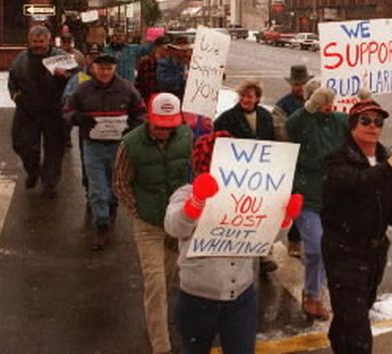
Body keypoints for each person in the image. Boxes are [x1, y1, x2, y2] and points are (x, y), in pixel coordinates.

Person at [164, 134, 301, 354]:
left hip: (241, 297)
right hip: (196, 297)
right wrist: (196, 203)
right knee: (194, 350)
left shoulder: (250, 196)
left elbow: (267, 237)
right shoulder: (187, 192)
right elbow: (174, 226)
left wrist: (284, 218)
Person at [321, 100, 392, 354]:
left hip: (374, 253)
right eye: (365, 120)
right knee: (358, 331)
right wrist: (391, 166)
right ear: (353, 125)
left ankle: (340, 345)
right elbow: (358, 185)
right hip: (344, 251)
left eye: (379, 122)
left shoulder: (386, 158)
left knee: (353, 313)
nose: (373, 126)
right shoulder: (337, 160)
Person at [113, 92, 193, 354]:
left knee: (169, 277)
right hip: (148, 224)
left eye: (169, 127)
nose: (164, 132)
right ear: (149, 118)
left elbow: (190, 173)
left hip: (175, 223)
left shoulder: (186, 136)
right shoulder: (130, 144)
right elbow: (120, 181)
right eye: (159, 126)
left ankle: (156, 316)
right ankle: (161, 346)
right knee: (155, 282)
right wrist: (136, 210)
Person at [64, 52, 145, 250]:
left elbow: (141, 112)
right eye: (101, 69)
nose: (105, 73)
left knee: (114, 182)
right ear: (93, 68)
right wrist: (78, 118)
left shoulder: (126, 88)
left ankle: (112, 205)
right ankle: (101, 224)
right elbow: (67, 111)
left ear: (114, 69)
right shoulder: (83, 90)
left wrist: (132, 126)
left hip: (119, 145)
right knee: (97, 187)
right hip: (93, 145)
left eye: (109, 69)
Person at [284, 81, 349, 321]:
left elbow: (361, 124)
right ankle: (313, 294)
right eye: (322, 101)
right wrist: (310, 107)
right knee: (317, 246)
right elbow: (292, 125)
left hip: (333, 197)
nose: (328, 105)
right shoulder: (304, 122)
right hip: (306, 195)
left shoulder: (339, 121)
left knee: (327, 250)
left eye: (329, 100)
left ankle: (313, 295)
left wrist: (366, 102)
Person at [213, 79, 278, 275]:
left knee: (261, 214)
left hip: (260, 176)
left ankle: (265, 253)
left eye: (250, 96)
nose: (246, 100)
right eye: (243, 96)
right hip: (236, 176)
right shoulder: (227, 118)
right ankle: (237, 257)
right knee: (241, 215)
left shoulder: (266, 116)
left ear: (257, 98)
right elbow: (216, 142)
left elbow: (272, 142)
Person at [8, 25, 71, 197]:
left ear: (48, 40)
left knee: (54, 150)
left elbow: (76, 76)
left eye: (41, 41)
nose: (37, 45)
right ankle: (33, 170)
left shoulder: (60, 56)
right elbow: (12, 79)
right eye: (34, 41)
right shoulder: (21, 59)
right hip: (27, 110)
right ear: (29, 41)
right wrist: (14, 96)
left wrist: (65, 75)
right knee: (22, 145)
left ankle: (49, 183)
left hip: (54, 111)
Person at [272, 64, 313, 258]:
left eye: (303, 83)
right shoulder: (283, 104)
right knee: (293, 201)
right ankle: (294, 240)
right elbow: (279, 130)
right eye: (297, 84)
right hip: (291, 161)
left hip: (312, 162)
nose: (300, 87)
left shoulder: (315, 102)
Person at [62, 43, 102, 197]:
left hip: (111, 130)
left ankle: (108, 197)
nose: (94, 60)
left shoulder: (113, 78)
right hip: (88, 129)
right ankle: (90, 189)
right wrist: (79, 115)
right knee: (88, 160)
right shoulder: (79, 78)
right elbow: (67, 98)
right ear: (86, 59)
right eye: (92, 57)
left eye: (97, 56)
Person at [135, 35, 170, 104]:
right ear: (157, 47)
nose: (167, 51)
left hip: (165, 99)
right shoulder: (146, 62)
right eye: (164, 48)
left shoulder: (170, 63)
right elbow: (139, 82)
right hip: (148, 99)